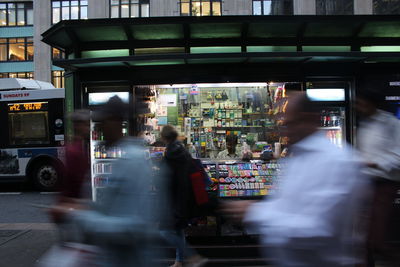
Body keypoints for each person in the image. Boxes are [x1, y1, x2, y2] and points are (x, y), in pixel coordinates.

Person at [223, 92, 369, 267]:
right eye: (282, 125)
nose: (284, 131)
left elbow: (318, 229)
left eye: (289, 124)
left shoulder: (336, 162)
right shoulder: (297, 159)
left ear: (309, 119)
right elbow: (285, 206)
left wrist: (255, 213)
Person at [50, 96, 163, 267]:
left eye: (103, 122)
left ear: (115, 122)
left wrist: (76, 215)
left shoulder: (132, 161)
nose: (100, 128)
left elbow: (134, 226)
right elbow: (114, 209)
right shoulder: (125, 158)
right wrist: (84, 206)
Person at [356, 89, 400, 266]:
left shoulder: (391, 124)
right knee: (363, 234)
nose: (358, 107)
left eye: (361, 103)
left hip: (384, 183)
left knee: (376, 236)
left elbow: (398, 155)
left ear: (371, 103)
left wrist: (374, 163)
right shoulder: (364, 125)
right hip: (367, 183)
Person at [160, 125, 207, 267]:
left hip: (174, 198)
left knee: (164, 231)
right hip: (185, 196)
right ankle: (179, 260)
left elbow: (168, 177)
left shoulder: (170, 154)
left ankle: (192, 256)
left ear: (164, 138)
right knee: (178, 229)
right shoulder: (182, 150)